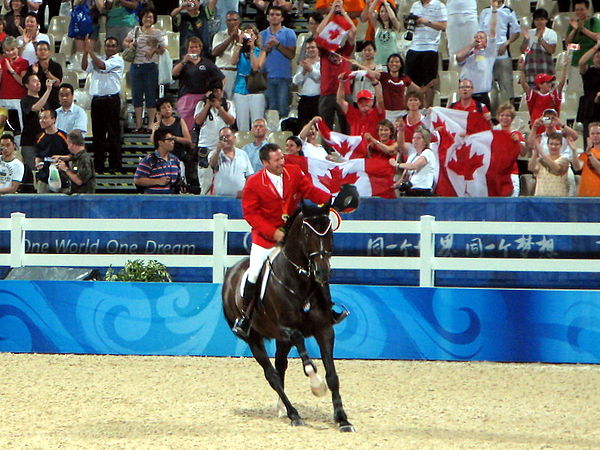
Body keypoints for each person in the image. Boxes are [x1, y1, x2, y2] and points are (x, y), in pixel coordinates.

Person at [232, 142, 347, 338]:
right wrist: (272, 232)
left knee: (315, 266)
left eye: (282, 158)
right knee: (254, 272)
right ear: (264, 162)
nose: (281, 163)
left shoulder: (293, 172)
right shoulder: (253, 183)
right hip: (265, 238)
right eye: (277, 160)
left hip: (292, 233)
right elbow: (251, 215)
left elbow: (310, 190)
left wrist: (330, 200)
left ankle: (328, 310)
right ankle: (245, 316)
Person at [82, 36, 124, 172]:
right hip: (97, 100)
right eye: (108, 46)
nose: (110, 48)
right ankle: (99, 165)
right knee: (97, 134)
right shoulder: (98, 57)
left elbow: (101, 66)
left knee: (113, 134)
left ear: (117, 48)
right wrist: (85, 52)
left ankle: (115, 165)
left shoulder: (118, 60)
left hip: (111, 100)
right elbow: (84, 67)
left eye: (113, 46)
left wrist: (91, 51)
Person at [316, 0, 356, 134]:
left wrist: (343, 12)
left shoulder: (346, 50)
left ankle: (347, 154)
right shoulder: (323, 50)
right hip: (327, 93)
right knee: (326, 129)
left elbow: (353, 31)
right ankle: (326, 154)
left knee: (347, 127)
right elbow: (319, 31)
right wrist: (332, 11)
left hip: (345, 92)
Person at [123, 7, 166, 133]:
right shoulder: (135, 30)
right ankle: (138, 125)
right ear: (142, 18)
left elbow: (163, 48)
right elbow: (125, 41)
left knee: (150, 95)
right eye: (146, 16)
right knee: (136, 96)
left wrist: (153, 50)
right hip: (136, 66)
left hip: (151, 67)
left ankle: (150, 125)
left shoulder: (158, 33)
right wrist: (130, 44)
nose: (148, 19)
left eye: (151, 17)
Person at [171, 37, 225, 132]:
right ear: (187, 49)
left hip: (202, 97)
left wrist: (215, 91)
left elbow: (222, 78)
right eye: (191, 47)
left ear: (200, 49)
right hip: (186, 97)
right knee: (186, 126)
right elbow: (174, 73)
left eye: (196, 47)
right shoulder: (183, 63)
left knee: (201, 124)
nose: (194, 49)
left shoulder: (207, 63)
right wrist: (184, 61)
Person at [478, 0, 521, 112]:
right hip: (487, 55)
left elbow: (516, 32)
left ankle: (509, 112)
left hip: (503, 54)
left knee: (506, 85)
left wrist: (506, 44)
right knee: (488, 86)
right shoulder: (485, 11)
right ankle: (491, 114)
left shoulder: (508, 11)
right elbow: (480, 31)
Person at [455, 3, 498, 113]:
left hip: (481, 97)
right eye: (476, 37)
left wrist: (493, 10)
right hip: (466, 96)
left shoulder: (489, 54)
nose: (478, 39)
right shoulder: (467, 54)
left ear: (486, 42)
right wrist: (472, 46)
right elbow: (458, 56)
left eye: (481, 37)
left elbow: (492, 30)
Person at [404, 0, 447, 108]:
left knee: (430, 83)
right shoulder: (415, 5)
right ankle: (412, 109)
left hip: (430, 47)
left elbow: (444, 26)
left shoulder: (439, 5)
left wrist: (425, 22)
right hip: (414, 47)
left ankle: (428, 110)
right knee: (410, 82)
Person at [259, 6, 296, 119]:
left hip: (283, 77)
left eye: (277, 15)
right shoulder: (261, 35)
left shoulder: (289, 33)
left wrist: (278, 45)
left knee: (283, 108)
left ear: (282, 18)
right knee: (270, 108)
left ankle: (283, 134)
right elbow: (258, 55)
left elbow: (291, 55)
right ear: (268, 17)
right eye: (272, 14)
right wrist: (267, 49)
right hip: (267, 77)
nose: (274, 17)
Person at [519, 57, 568, 134]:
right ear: (539, 85)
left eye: (550, 82)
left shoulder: (554, 94)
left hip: (553, 131)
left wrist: (565, 67)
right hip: (537, 131)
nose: (550, 84)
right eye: (547, 82)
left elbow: (562, 83)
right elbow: (523, 83)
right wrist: (522, 69)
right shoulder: (533, 96)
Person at [231, 24, 266, 132]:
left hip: (255, 88)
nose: (248, 36)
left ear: (255, 36)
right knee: (242, 121)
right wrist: (240, 43)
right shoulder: (239, 49)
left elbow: (256, 67)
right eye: (246, 33)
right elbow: (233, 61)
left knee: (257, 120)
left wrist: (251, 49)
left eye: (251, 34)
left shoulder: (261, 51)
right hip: (240, 87)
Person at [565, 0, 600, 95]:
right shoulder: (573, 23)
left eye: (582, 9)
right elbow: (568, 45)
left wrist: (582, 29)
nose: (579, 12)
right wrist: (574, 30)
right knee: (575, 92)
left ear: (587, 10)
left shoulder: (594, 21)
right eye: (577, 10)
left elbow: (597, 37)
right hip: (576, 62)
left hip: (591, 63)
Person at [390, 126, 436, 196]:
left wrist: (397, 164)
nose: (415, 140)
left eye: (418, 138)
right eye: (414, 138)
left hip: (423, 191)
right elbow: (404, 177)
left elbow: (415, 166)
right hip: (411, 190)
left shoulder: (428, 152)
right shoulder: (412, 156)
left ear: (425, 140)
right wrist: (394, 185)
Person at [208, 126, 253, 196]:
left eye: (228, 136)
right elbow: (212, 164)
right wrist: (218, 151)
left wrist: (246, 191)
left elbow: (249, 176)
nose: (225, 139)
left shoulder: (243, 154)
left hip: (239, 198)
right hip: (220, 197)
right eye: (222, 137)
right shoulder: (214, 154)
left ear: (234, 138)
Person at [134, 128, 182, 194]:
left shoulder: (175, 160)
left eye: (173, 139)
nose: (173, 142)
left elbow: (178, 180)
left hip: (171, 200)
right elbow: (138, 180)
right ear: (160, 142)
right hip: (152, 200)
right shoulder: (149, 160)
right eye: (169, 140)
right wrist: (158, 181)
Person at [336, 76, 385, 141]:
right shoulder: (353, 113)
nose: (364, 103)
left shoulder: (377, 113)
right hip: (355, 149)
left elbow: (380, 101)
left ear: (372, 101)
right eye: (361, 102)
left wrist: (375, 84)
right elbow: (340, 100)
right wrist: (341, 83)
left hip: (372, 148)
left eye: (366, 101)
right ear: (357, 103)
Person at [20, 74, 52, 170]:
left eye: (38, 81)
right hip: (29, 142)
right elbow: (34, 108)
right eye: (34, 81)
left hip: (44, 141)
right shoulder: (25, 101)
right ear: (26, 85)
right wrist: (48, 90)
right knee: (32, 171)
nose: (38, 83)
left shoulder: (45, 102)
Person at [494, 102, 526, 196]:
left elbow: (523, 153)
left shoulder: (517, 134)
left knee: (512, 202)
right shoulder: (492, 133)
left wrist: (518, 142)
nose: (504, 118)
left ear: (512, 118)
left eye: (507, 115)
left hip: (512, 173)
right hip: (495, 173)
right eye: (502, 115)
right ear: (498, 117)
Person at [34, 108, 69, 193]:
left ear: (53, 119)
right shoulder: (40, 137)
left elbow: (72, 156)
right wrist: (37, 164)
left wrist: (60, 158)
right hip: (44, 177)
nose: (42, 120)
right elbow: (38, 155)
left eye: (45, 118)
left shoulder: (64, 136)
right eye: (40, 118)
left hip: (61, 175)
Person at [520, 8, 558, 89]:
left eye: (542, 19)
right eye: (537, 19)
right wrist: (526, 40)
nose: (539, 22)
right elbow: (523, 50)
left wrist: (540, 39)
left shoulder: (551, 33)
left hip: (545, 68)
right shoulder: (530, 33)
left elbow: (551, 50)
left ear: (546, 20)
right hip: (531, 69)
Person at [0, 36, 28, 135]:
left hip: (18, 100)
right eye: (7, 51)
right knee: (3, 130)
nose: (11, 52)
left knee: (18, 129)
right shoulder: (1, 62)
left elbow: (23, 82)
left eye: (12, 49)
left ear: (17, 48)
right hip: (3, 99)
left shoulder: (23, 62)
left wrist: (11, 70)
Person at [528, 132, 569, 196]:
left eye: (556, 144)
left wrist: (541, 152)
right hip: (541, 198)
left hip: (558, 198)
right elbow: (531, 168)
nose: (553, 146)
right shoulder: (540, 160)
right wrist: (536, 151)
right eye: (551, 144)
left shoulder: (564, 160)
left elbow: (557, 169)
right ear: (547, 145)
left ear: (561, 145)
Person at [54, 129, 96, 193]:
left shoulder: (84, 159)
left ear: (71, 144)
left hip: (84, 198)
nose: (67, 147)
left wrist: (65, 169)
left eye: (68, 144)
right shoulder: (76, 158)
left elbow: (79, 181)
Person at [24, 40, 62, 110]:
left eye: (45, 49)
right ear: (36, 53)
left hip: (53, 101)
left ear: (49, 52)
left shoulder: (56, 66)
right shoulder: (32, 67)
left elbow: (57, 83)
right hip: (38, 101)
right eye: (40, 50)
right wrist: (34, 73)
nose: (43, 52)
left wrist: (46, 71)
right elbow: (27, 84)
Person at [211, 10, 242, 98]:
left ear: (239, 21)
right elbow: (215, 52)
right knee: (221, 100)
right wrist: (231, 38)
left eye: (235, 20)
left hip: (238, 72)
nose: (232, 22)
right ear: (226, 22)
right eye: (229, 20)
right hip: (222, 71)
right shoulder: (219, 35)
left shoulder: (244, 35)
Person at [292, 37, 320, 130]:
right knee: (302, 126)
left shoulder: (322, 63)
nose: (310, 50)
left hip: (318, 99)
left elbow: (318, 77)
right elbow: (295, 81)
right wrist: (304, 71)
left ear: (318, 48)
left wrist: (310, 69)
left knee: (317, 127)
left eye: (313, 47)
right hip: (304, 99)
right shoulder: (303, 64)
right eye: (308, 48)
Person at [578, 38, 600, 143]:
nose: (599, 59)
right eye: (597, 56)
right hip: (589, 109)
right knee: (589, 141)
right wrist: (596, 46)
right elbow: (581, 62)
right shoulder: (589, 71)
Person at [367, 0, 400, 66]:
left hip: (392, 62)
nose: (384, 14)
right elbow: (370, 12)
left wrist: (385, 2)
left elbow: (393, 18)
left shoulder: (395, 26)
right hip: (379, 62)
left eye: (386, 11)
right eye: (382, 11)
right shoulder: (377, 26)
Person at [573, 122, 600, 196]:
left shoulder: (588, 153)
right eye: (592, 133)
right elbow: (577, 167)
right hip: (585, 196)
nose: (595, 136)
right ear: (589, 136)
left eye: (598, 133)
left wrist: (590, 154)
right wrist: (573, 151)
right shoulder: (584, 154)